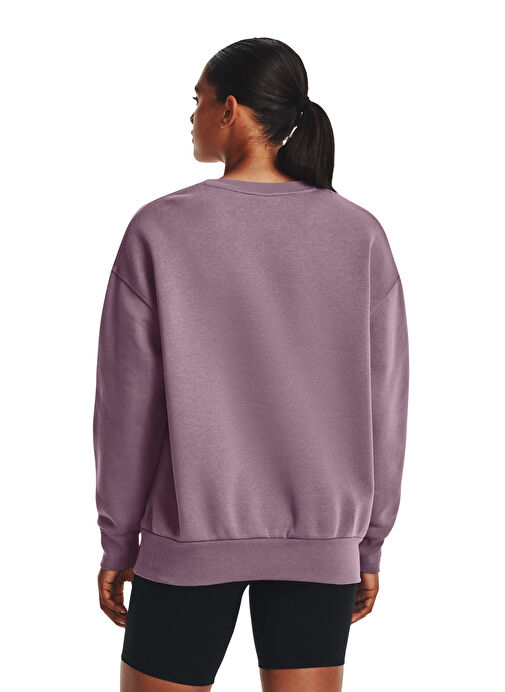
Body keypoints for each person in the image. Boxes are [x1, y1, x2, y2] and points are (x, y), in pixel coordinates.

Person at [93, 37, 409, 692]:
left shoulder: (161, 229)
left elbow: (126, 407)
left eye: (198, 100)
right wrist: (367, 540)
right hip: (324, 541)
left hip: (189, 538)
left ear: (229, 109)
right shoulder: (359, 234)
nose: (192, 116)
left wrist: (119, 540)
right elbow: (386, 404)